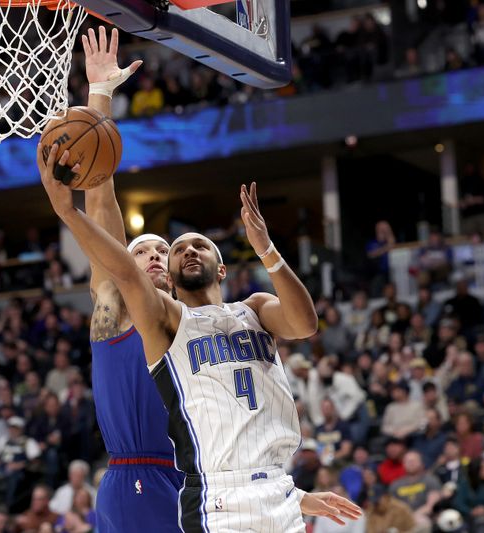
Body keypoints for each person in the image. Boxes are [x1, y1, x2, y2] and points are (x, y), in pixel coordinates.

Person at [38, 149, 362, 528]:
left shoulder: (254, 308)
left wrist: (266, 249)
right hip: (206, 492)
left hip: (274, 486)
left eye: (199, 244)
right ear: (169, 282)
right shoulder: (169, 321)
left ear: (222, 267)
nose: (186, 250)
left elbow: (305, 324)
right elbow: (120, 271)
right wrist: (68, 211)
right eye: (177, 250)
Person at [64, 27, 183, 532]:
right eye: (143, 250)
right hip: (137, 476)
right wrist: (101, 96)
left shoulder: (192, 319)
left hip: (197, 475)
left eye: (164, 250)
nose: (155, 255)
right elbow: (100, 200)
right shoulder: (115, 303)